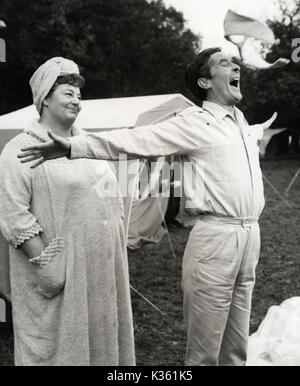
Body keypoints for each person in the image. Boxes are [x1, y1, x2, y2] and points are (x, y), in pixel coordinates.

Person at [18, 48, 277, 366]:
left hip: (251, 236)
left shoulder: (240, 123)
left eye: (235, 62)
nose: (235, 66)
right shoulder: (195, 123)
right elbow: (136, 139)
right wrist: (74, 146)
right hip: (216, 240)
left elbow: (252, 138)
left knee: (236, 350)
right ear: (204, 81)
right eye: (225, 63)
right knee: (206, 354)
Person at [0, 57, 135, 366]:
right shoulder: (21, 147)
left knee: (103, 349)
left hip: (102, 270)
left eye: (79, 95)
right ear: (45, 97)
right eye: (67, 93)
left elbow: (111, 196)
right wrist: (52, 267)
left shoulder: (90, 146)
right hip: (63, 274)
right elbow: (12, 214)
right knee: (62, 351)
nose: (77, 101)